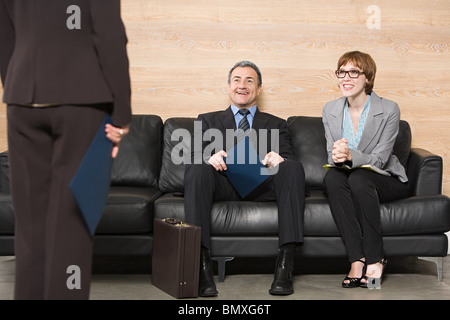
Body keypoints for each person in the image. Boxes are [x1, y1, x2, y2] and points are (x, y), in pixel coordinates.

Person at [0, 0, 132, 299]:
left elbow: (5, 34)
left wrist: (20, 86)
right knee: (72, 223)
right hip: (82, 100)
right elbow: (109, 34)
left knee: (30, 226)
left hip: (22, 100)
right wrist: (122, 114)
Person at [184, 60, 305, 296]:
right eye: (237, 80)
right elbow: (193, 158)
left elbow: (288, 159)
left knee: (293, 167)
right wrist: (210, 157)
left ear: (258, 89)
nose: (242, 85)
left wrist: (279, 159)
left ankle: (285, 266)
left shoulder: (277, 124)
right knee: (198, 168)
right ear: (228, 87)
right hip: (223, 183)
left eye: (249, 81)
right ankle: (201, 268)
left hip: (262, 185)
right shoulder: (207, 120)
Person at [322, 51, 409, 289]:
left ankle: (375, 257)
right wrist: (338, 156)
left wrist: (351, 156)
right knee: (332, 178)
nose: (345, 78)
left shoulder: (389, 109)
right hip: (349, 176)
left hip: (384, 178)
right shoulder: (330, 110)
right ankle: (356, 260)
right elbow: (332, 152)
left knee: (359, 178)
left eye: (354, 72)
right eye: (341, 72)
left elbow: (380, 159)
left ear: (367, 78)